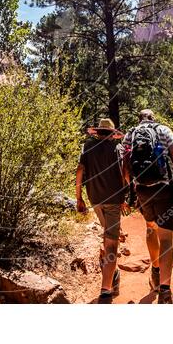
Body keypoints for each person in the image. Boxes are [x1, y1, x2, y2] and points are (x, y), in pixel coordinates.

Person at [122, 109, 173, 304]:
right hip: (164, 188)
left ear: (139, 119)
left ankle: (155, 272)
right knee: (166, 238)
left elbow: (125, 166)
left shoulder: (131, 134)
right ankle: (166, 291)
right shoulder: (164, 130)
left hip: (142, 189)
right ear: (153, 118)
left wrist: (131, 191)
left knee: (150, 227)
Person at [76, 118, 130, 304]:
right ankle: (106, 290)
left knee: (108, 235)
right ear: (112, 134)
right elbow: (124, 174)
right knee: (111, 244)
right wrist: (125, 198)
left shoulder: (87, 148)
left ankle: (112, 275)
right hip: (113, 200)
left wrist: (79, 198)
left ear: (98, 132)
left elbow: (79, 171)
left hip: (95, 199)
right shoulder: (117, 149)